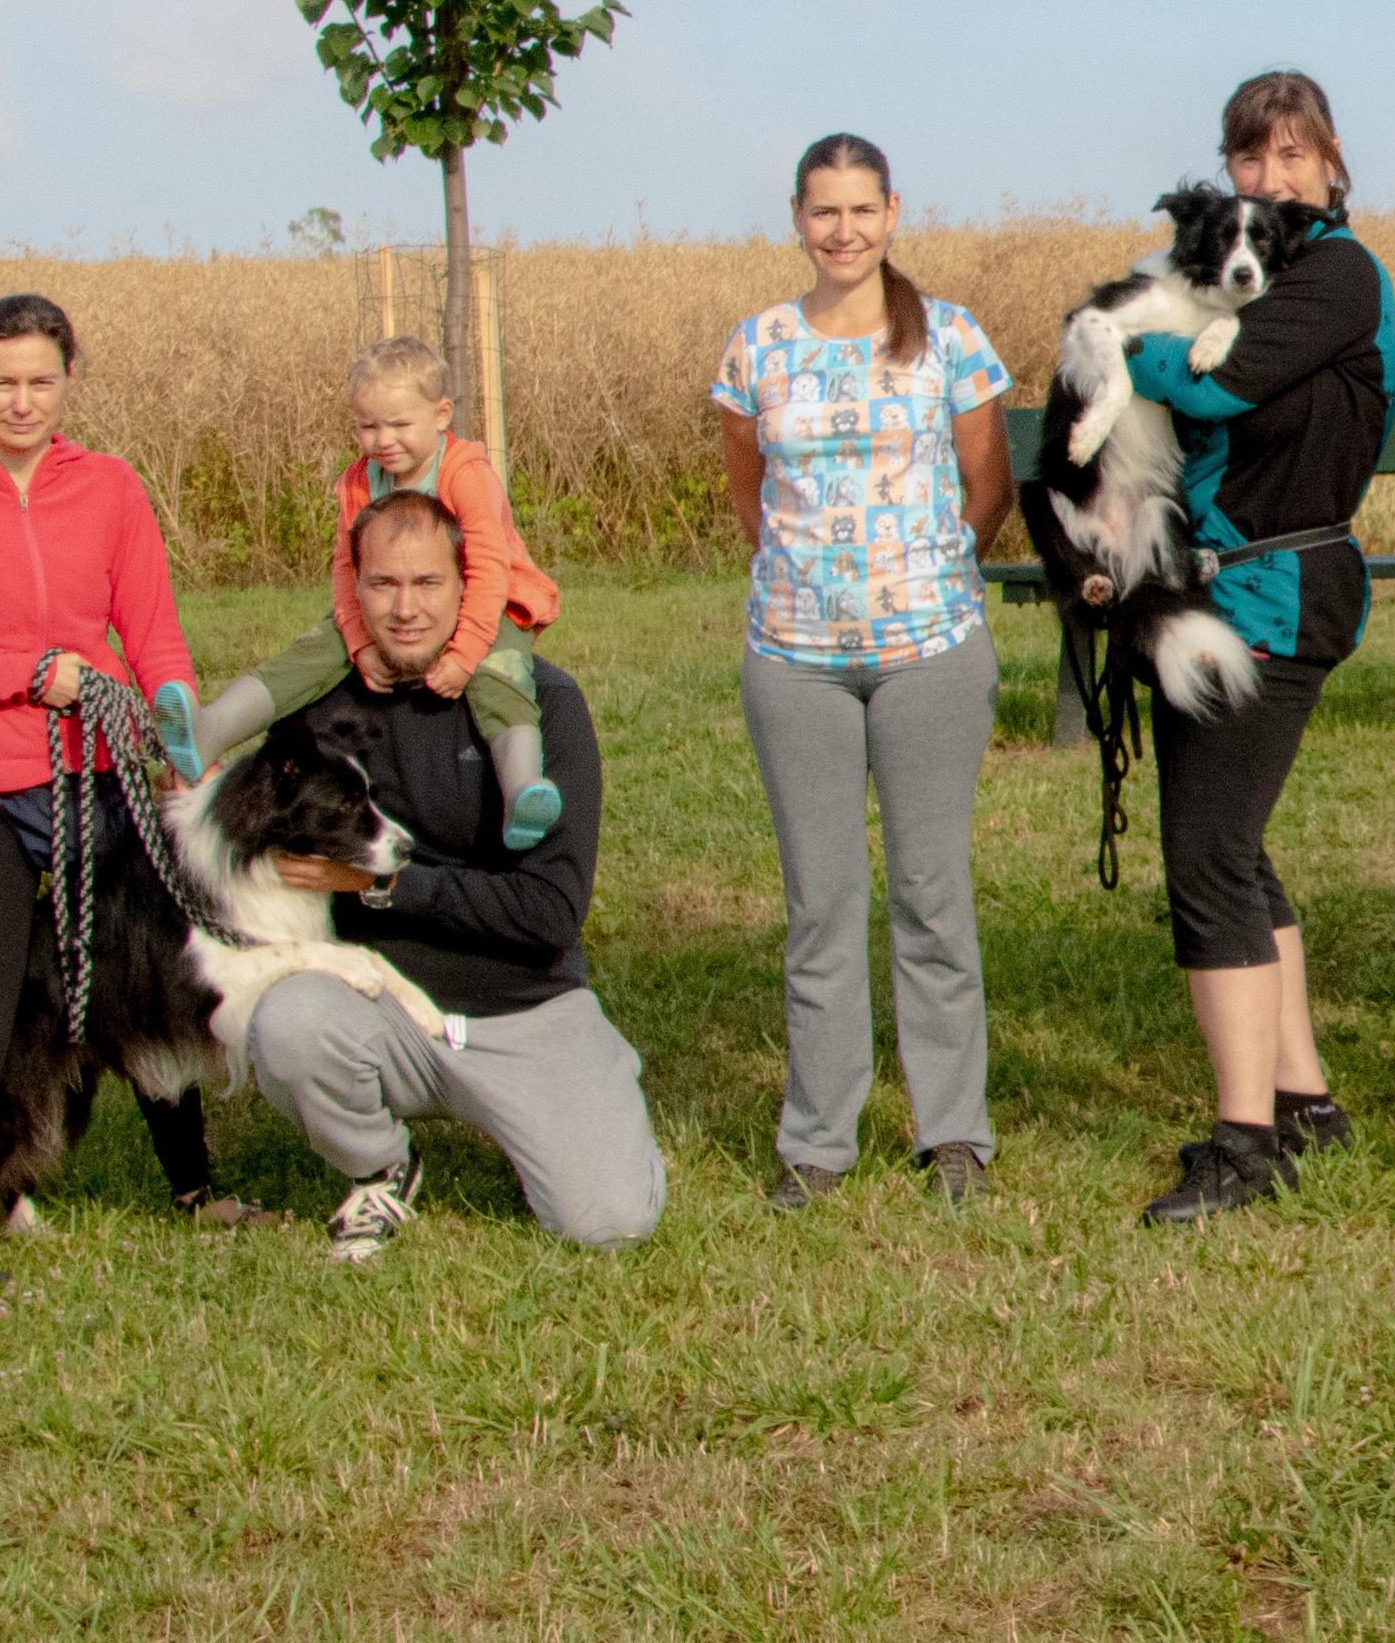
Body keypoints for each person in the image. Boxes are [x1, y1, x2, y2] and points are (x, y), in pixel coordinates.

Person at [0, 293, 227, 1315]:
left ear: (67, 382)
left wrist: (173, 717)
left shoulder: (108, 487)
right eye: (0, 382)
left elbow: (149, 627)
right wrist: (25, 674)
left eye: (40, 381)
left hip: (100, 774)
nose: (20, 401)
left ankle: (195, 1188)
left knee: (140, 986)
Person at [1116, 72, 1395, 1225]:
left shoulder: (1334, 270)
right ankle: (1303, 1103)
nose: (1269, 178)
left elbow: (1218, 382)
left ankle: (1245, 1147)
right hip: (1225, 585)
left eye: (1291, 156)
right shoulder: (1260, 262)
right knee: (1237, 846)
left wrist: (1115, 353)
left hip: (1272, 588)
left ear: (1331, 161)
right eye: (1249, 158)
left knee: (1206, 859)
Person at [711, 132, 1017, 1210]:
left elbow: (989, 488)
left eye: (861, 211)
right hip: (794, 662)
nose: (842, 231)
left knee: (931, 893)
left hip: (928, 656)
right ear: (797, 218)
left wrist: (922, 581)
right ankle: (817, 1140)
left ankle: (952, 1132)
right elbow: (753, 500)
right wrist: (816, 587)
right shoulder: (757, 350)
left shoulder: (952, 341)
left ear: (893, 213)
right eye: (821, 212)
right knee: (821, 903)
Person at [244, 490, 665, 1258]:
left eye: (427, 583)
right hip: (383, 1006)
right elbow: (241, 833)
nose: (404, 609)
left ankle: (578, 1088)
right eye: (383, 584)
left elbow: (550, 913)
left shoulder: (542, 706)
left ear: (469, 584)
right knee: (284, 1021)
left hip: (523, 1006)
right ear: (354, 587)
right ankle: (380, 1164)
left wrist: (382, 885)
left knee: (611, 1222)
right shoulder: (321, 714)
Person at [176, 336, 564, 847]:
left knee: (503, 678)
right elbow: (345, 567)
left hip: (487, 606)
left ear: (441, 414)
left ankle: (521, 791)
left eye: (400, 424)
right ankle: (211, 730)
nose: (383, 440)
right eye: (368, 426)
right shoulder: (357, 482)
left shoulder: (466, 474)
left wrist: (467, 653)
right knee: (309, 655)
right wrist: (358, 639)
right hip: (381, 607)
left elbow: (489, 568)